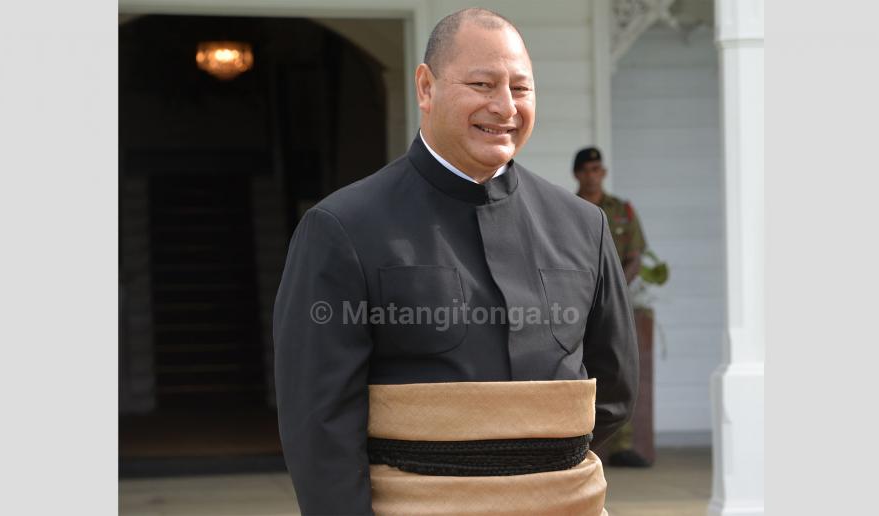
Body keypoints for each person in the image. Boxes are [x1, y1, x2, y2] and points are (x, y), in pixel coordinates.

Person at [274, 8, 638, 515]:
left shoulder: (584, 225)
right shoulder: (342, 227)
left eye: (521, 88)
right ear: (426, 87)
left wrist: (536, 469)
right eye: (483, 83)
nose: (505, 106)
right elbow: (319, 422)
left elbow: (615, 389)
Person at [573, 146, 651, 468]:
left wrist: (616, 288)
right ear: (577, 174)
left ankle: (622, 444)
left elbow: (635, 255)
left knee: (618, 365)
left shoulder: (622, 210)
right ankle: (576, 436)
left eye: (597, 169)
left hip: (613, 301)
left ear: (603, 173)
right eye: (586, 170)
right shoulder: (567, 208)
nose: (592, 175)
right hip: (576, 301)